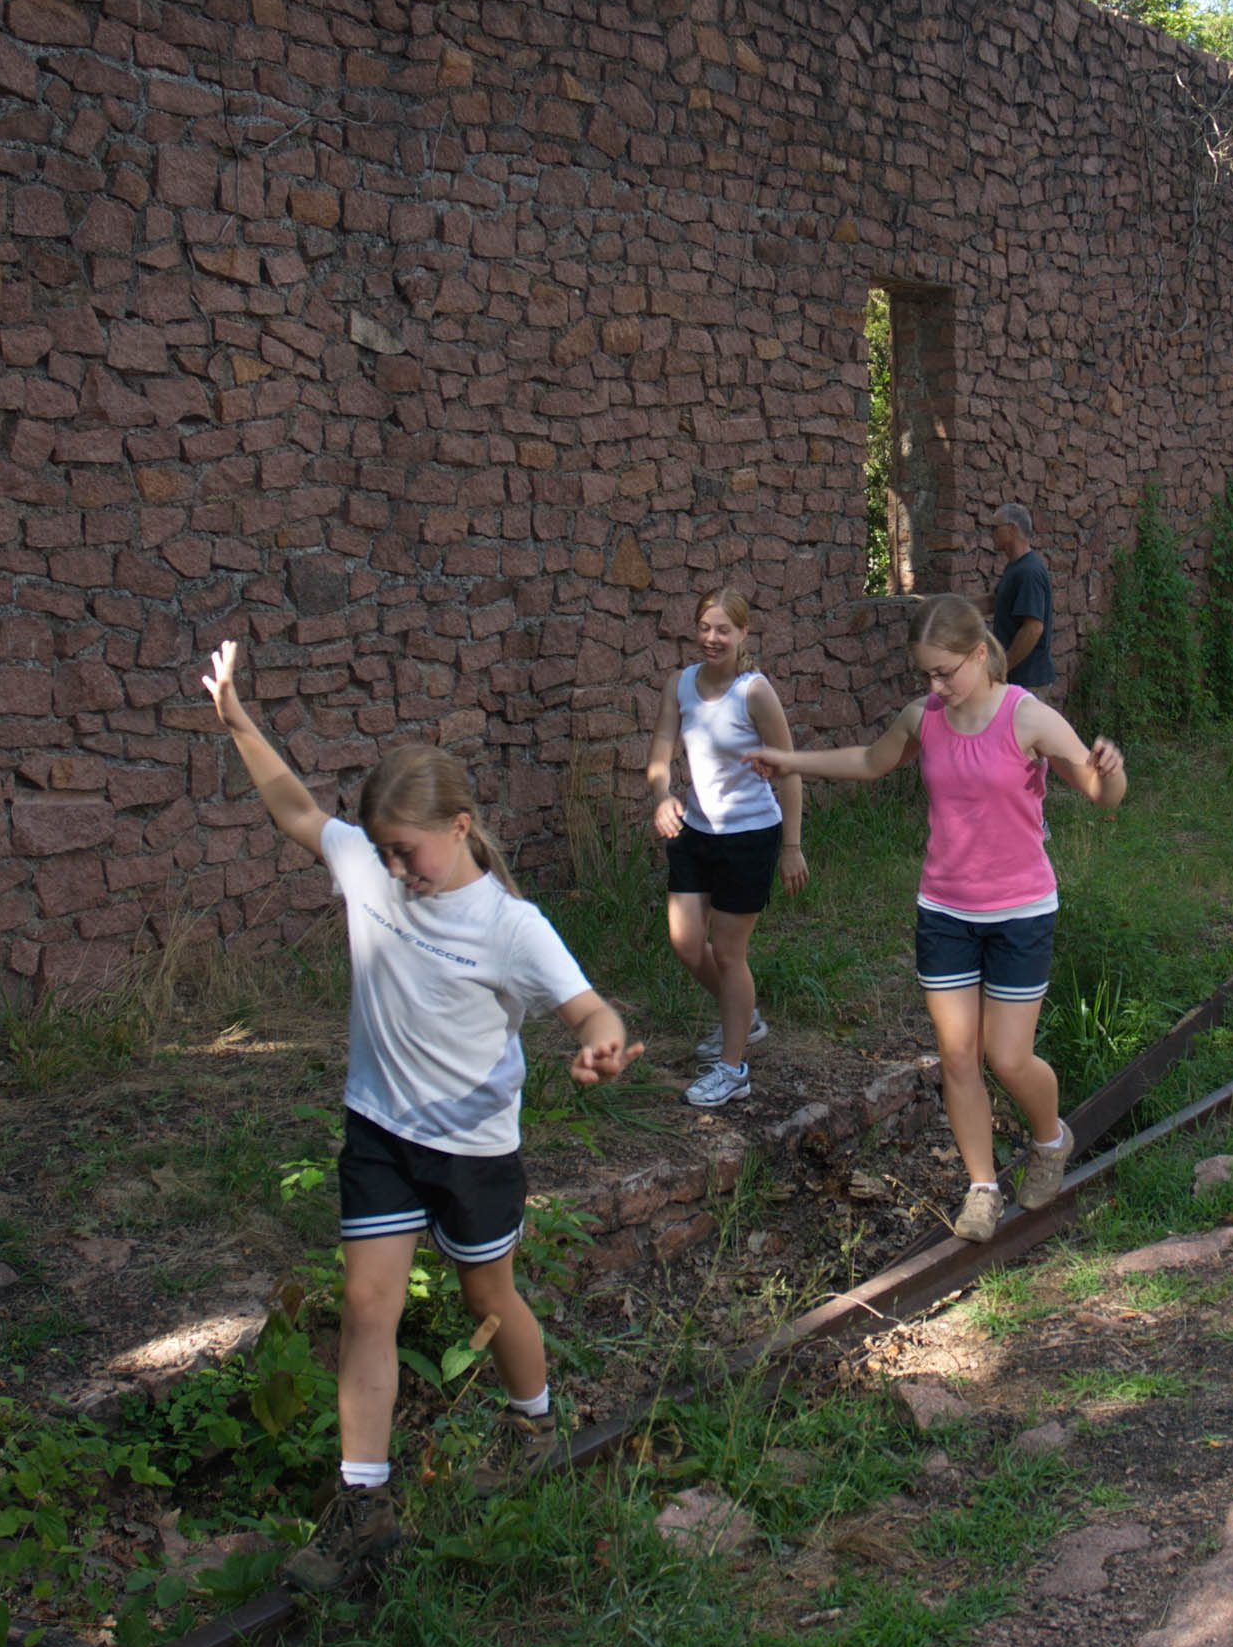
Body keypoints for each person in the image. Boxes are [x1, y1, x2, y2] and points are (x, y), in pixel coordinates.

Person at [200, 640, 635, 1591]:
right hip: (380, 1133)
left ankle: (536, 1420)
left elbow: (587, 1007)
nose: (396, 870)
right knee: (368, 1309)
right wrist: (238, 721)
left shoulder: (511, 929)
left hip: (474, 1150)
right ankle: (364, 1507)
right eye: (385, 851)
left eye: (411, 850)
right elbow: (296, 810)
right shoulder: (365, 866)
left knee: (489, 1299)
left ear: (464, 827)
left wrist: (602, 1042)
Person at [750, 595, 1127, 1242]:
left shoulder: (1027, 718)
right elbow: (871, 761)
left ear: (979, 654)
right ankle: (981, 1187)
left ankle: (1050, 1138)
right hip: (945, 910)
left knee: (1007, 1058)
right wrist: (789, 763)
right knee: (957, 1056)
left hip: (1020, 912)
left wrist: (1112, 770)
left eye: (944, 672)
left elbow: (1102, 795)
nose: (934, 686)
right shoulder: (923, 718)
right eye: (925, 674)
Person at [643, 588, 807, 1107]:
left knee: (730, 954)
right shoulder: (681, 684)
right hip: (695, 833)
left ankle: (733, 1069)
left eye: (723, 630)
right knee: (687, 944)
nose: (712, 639)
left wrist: (792, 846)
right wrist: (662, 795)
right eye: (705, 628)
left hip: (750, 836)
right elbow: (661, 752)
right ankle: (744, 1016)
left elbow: (790, 771)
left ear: (742, 634)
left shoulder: (753, 692)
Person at [989, 502, 1058, 692]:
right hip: (1018, 679)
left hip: (1028, 681)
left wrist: (1003, 667)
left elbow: (1033, 628)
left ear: (1012, 529)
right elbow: (993, 602)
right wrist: (949, 604)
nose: (990, 533)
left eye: (994, 528)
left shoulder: (1029, 571)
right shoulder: (1016, 567)